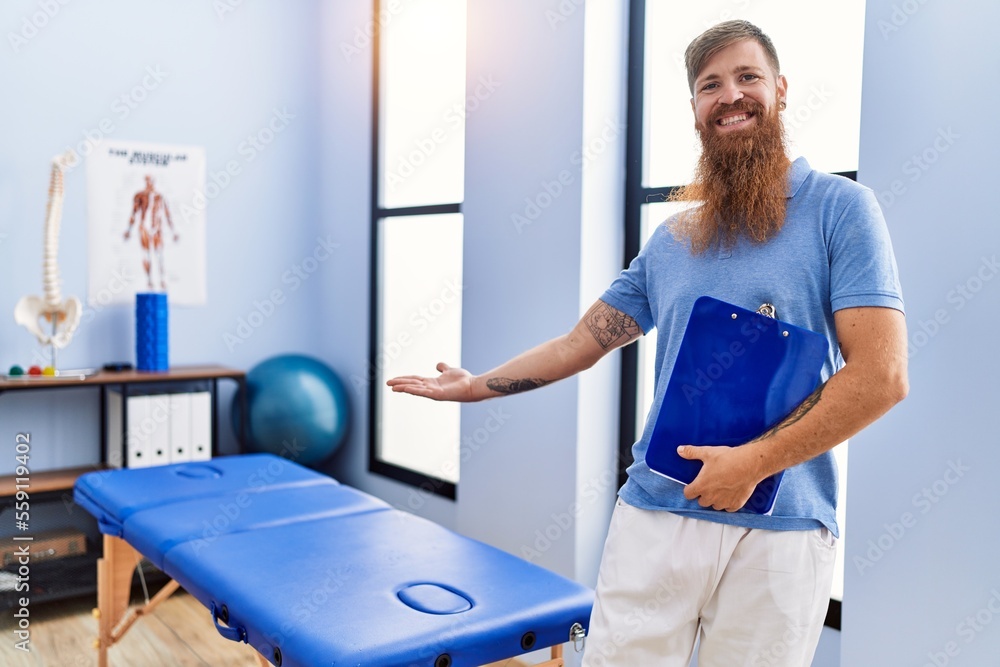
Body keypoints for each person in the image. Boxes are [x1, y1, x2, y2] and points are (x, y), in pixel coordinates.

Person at [387, 20, 908, 666]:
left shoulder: (841, 210)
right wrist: (477, 385)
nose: (730, 95)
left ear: (780, 88)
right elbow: (583, 341)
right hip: (658, 513)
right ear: (695, 111)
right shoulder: (673, 240)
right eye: (709, 85)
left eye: (747, 77)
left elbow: (881, 376)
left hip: (782, 532)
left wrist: (753, 463)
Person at [124, 174, 179, 290]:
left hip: (157, 229)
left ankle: (162, 280)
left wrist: (173, 231)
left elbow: (167, 214)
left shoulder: (160, 197)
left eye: (151, 181)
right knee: (146, 255)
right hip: (144, 227)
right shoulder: (139, 196)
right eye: (148, 181)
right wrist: (129, 230)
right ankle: (149, 281)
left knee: (159, 255)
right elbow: (134, 213)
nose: (150, 183)